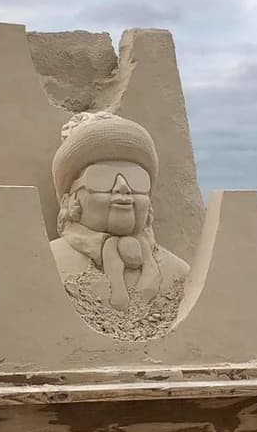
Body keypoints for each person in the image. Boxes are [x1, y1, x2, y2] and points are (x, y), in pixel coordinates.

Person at [50, 110, 189, 314]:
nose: (122, 186)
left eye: (137, 179)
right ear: (70, 199)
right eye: (103, 177)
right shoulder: (46, 264)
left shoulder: (180, 273)